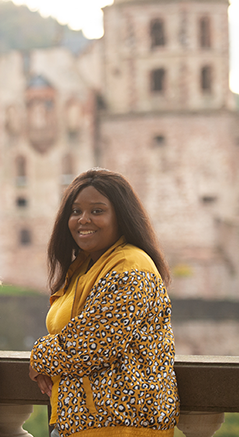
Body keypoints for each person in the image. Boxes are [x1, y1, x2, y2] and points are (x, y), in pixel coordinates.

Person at [29, 168, 180, 437]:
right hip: (82, 423)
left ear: (121, 217)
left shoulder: (131, 267)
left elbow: (94, 345)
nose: (83, 220)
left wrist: (40, 356)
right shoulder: (85, 267)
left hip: (122, 425)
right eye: (75, 212)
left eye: (97, 211)